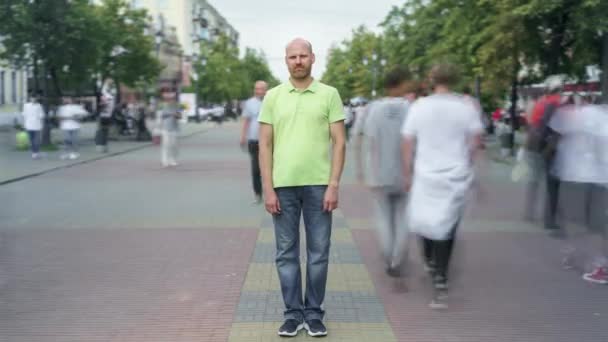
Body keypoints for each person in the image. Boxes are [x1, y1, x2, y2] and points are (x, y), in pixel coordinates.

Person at [258, 38, 346, 338]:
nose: (298, 61)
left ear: (312, 58)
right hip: (282, 187)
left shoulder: (329, 94)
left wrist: (334, 184)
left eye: (303, 56)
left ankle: (314, 313)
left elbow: (340, 142)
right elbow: (265, 145)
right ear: (285, 60)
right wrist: (267, 188)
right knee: (286, 253)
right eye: (292, 56)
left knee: (319, 253)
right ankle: (293, 314)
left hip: (319, 187)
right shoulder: (272, 96)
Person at [401, 63, 483, 309]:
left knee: (424, 221)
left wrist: (407, 172)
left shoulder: (419, 107)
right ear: (455, 80)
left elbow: (407, 141)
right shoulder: (466, 108)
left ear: (430, 80)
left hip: (426, 175)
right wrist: (468, 162)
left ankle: (429, 261)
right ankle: (441, 279)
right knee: (448, 227)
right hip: (456, 175)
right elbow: (476, 140)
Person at [356, 66, 413, 279]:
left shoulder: (374, 109)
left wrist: (363, 170)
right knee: (401, 217)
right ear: (401, 85)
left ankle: (388, 253)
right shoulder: (411, 108)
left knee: (383, 217)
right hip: (405, 172)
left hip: (379, 173)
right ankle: (397, 258)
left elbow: (368, 141)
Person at [523, 76, 563, 232]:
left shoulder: (542, 101)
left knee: (534, 180)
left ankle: (529, 212)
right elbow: (551, 126)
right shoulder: (554, 103)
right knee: (553, 184)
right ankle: (550, 220)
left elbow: (535, 123)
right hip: (545, 147)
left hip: (532, 144)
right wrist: (551, 145)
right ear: (559, 89)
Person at [240, 81, 268, 204]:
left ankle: (273, 194)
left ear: (266, 90)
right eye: (257, 89)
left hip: (269, 141)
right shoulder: (249, 103)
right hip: (254, 140)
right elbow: (246, 120)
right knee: (256, 170)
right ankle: (258, 194)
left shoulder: (272, 101)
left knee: (271, 168)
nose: (259, 91)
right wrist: (243, 136)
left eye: (262, 89)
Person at [157, 88, 181, 167]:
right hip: (165, 128)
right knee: (165, 145)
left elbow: (179, 116)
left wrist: (177, 115)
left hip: (174, 128)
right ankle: (164, 160)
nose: (171, 99)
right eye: (170, 98)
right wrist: (171, 114)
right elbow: (161, 116)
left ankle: (173, 159)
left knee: (174, 145)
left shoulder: (177, 105)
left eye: (173, 98)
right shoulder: (162, 105)